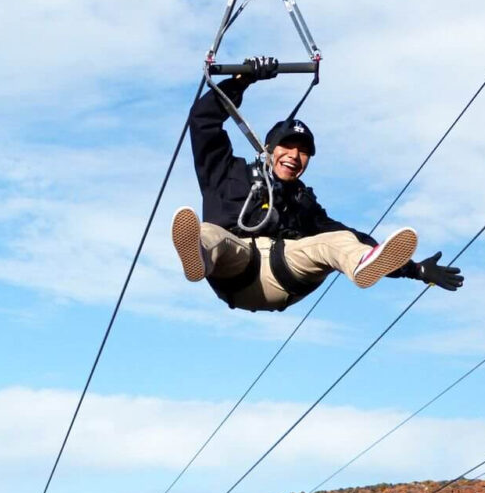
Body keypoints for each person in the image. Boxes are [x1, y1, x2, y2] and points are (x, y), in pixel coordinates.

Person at [172, 56, 463, 311]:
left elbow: (353, 235)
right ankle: (198, 256)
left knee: (338, 241)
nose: (294, 156)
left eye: (303, 152)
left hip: (280, 276)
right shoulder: (227, 173)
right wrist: (241, 80)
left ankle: (359, 265)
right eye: (287, 146)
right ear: (269, 149)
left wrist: (417, 270)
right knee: (209, 233)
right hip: (235, 270)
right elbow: (203, 122)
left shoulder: (302, 203)